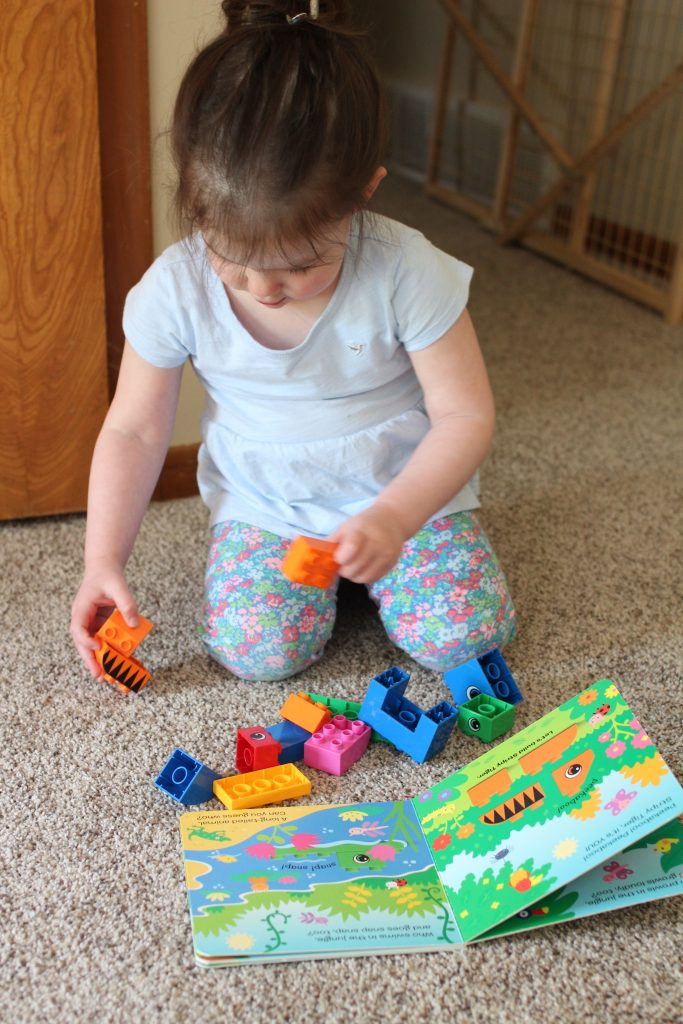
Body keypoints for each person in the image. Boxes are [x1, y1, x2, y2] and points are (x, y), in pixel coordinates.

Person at [70, 0, 516, 684]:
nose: (264, 290)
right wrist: (103, 559)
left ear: (363, 194)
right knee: (256, 655)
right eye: (231, 258)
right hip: (269, 504)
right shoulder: (174, 288)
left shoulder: (406, 268)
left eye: (302, 266)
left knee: (467, 638)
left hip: (403, 490)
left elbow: (465, 415)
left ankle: (377, 570)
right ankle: (348, 584)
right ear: (193, 202)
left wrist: (395, 517)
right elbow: (132, 432)